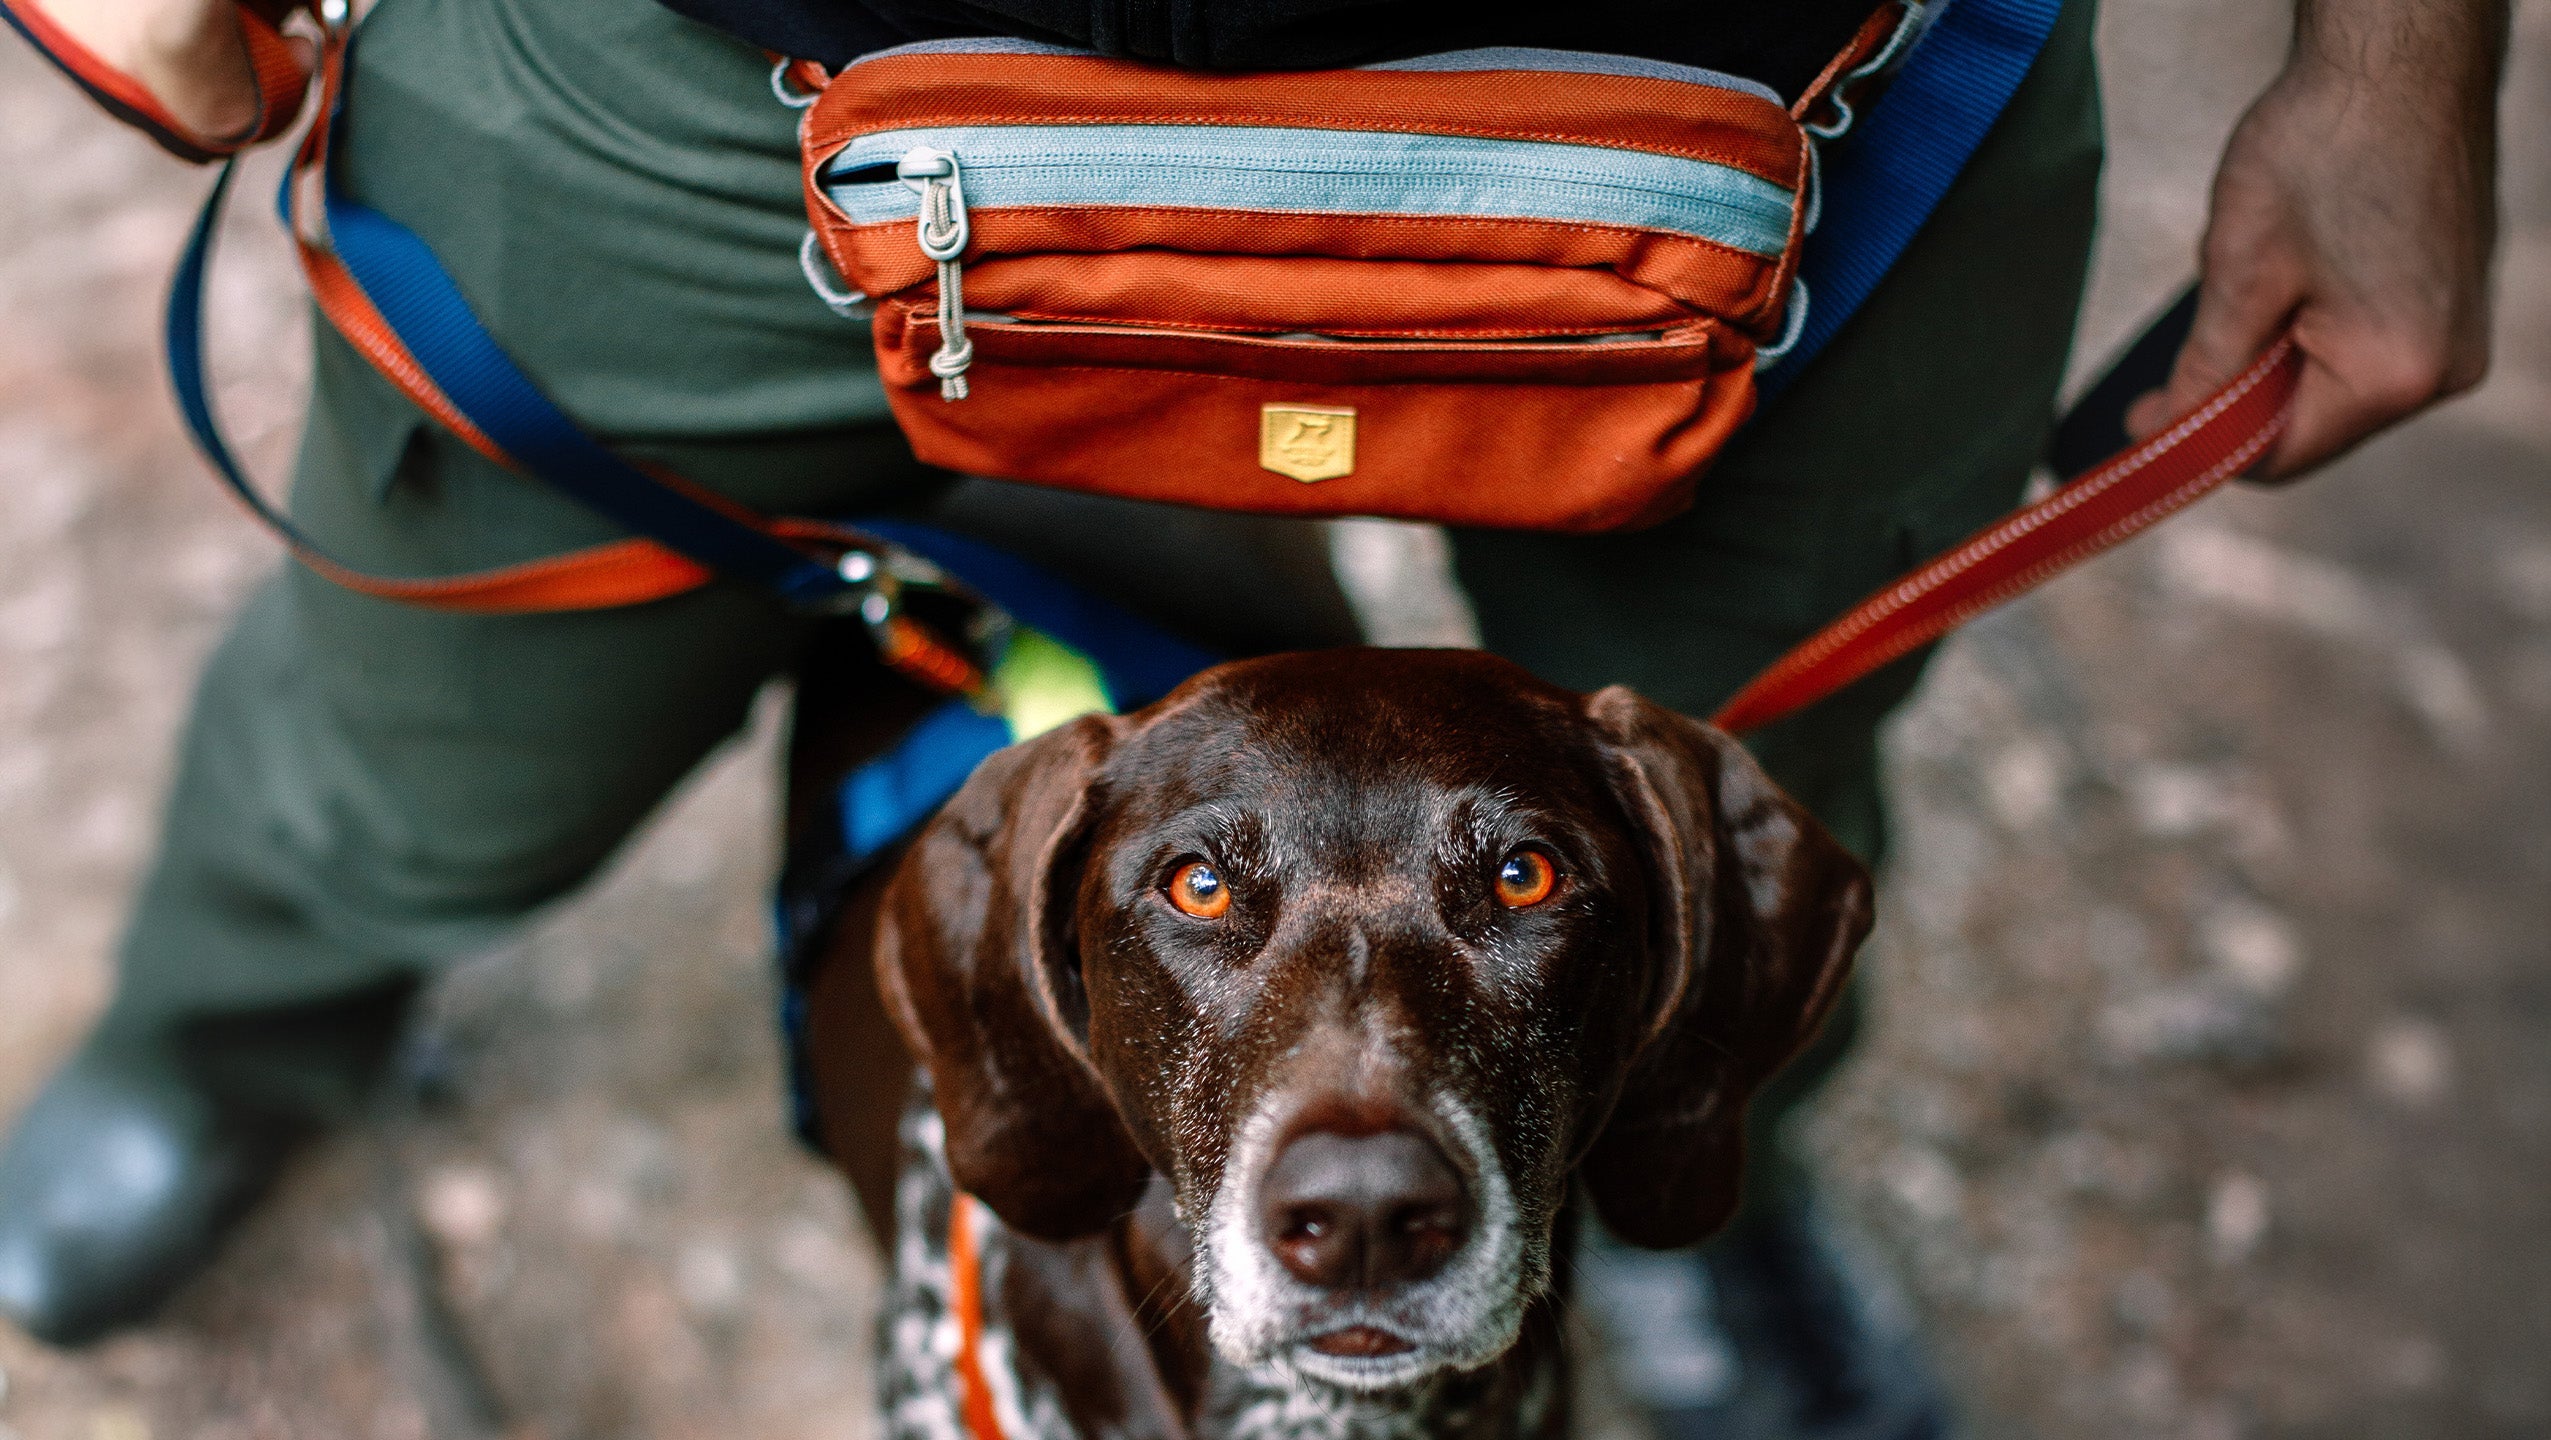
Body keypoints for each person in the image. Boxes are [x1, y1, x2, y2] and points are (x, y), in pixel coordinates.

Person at [0, 0, 2506, 1433]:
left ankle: (1670, 1183)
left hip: (1797, 103)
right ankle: (239, 1033)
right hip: (696, 89)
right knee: (436, 742)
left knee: (1743, 795)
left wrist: (2408, 58)